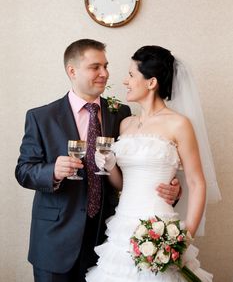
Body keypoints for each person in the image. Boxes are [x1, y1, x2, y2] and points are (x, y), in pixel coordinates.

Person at [15, 39, 180, 282]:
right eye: (95, 67)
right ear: (72, 71)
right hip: (55, 240)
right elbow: (23, 170)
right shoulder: (42, 117)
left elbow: (137, 165)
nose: (105, 74)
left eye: (106, 66)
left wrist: (172, 186)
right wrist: (52, 171)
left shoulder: (121, 114)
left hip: (108, 239)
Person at [85, 45, 221, 282]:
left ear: (151, 82)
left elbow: (197, 183)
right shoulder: (126, 123)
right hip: (122, 227)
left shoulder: (178, 124)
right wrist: (109, 166)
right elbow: (121, 185)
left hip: (159, 227)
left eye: (131, 75)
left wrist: (184, 238)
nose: (125, 81)